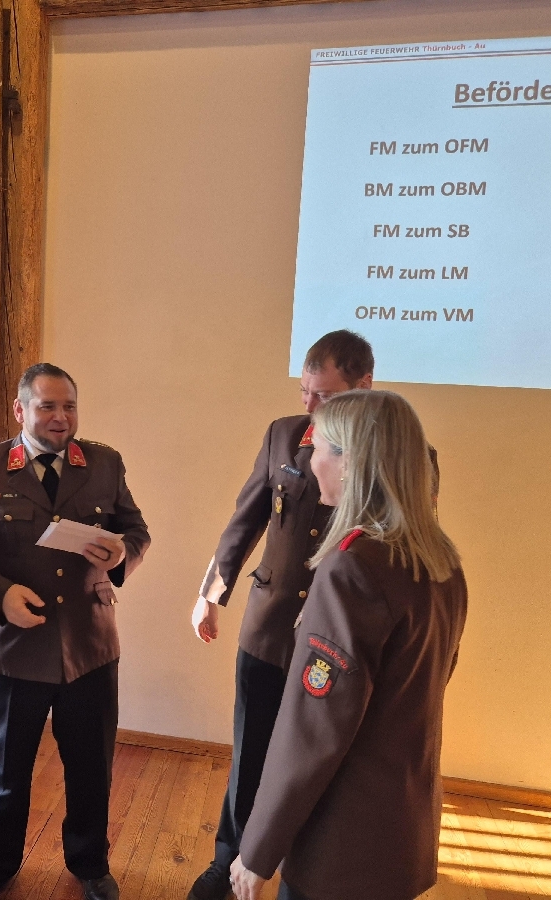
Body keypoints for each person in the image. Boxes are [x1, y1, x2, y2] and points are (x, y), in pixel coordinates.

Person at [229, 390, 467, 900]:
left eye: (319, 447)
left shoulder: (353, 567)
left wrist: (257, 849)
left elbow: (315, 730)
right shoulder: (439, 559)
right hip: (402, 825)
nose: (311, 461)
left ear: (351, 460)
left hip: (341, 841)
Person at [0, 363, 150, 900]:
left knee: (91, 768)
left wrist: (121, 553)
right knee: (6, 771)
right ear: (20, 410)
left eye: (69, 406)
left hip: (90, 644)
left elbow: (135, 530)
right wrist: (0, 596)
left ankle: (90, 864)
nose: (61, 417)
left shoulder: (104, 463)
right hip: (16, 647)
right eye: (47, 406)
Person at [187, 330, 374, 900]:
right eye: (305, 391)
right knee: (251, 751)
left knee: (324, 759)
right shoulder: (284, 435)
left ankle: (304, 869)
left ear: (364, 386)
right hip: (268, 628)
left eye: (326, 395)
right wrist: (211, 592)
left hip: (338, 638)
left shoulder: (393, 453)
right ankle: (230, 859)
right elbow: (246, 517)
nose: (311, 406)